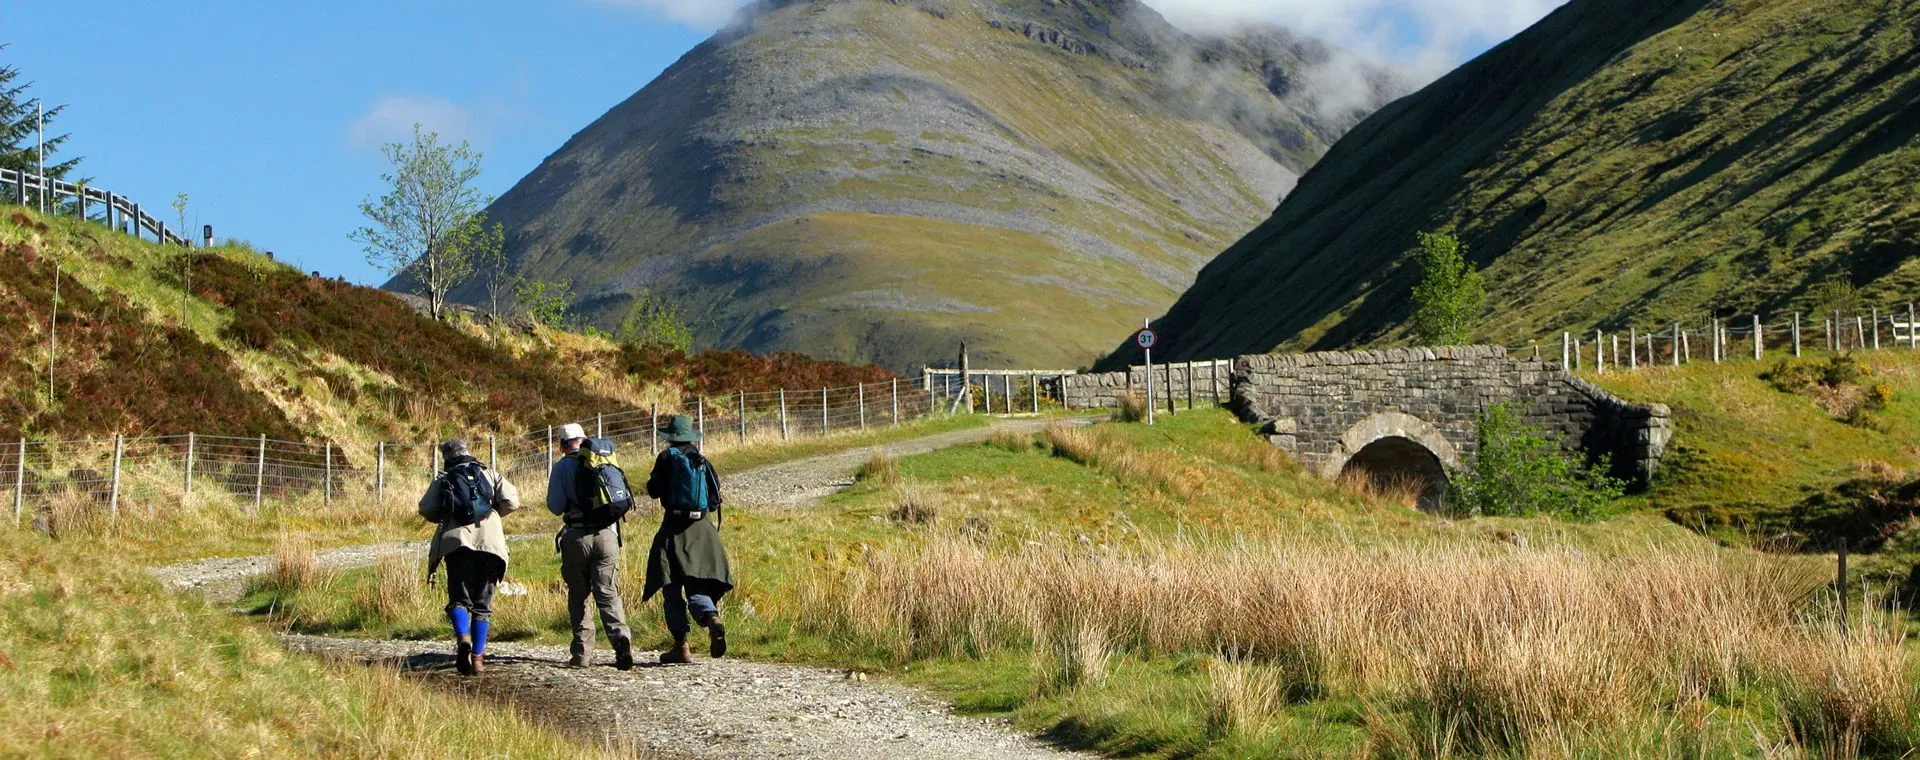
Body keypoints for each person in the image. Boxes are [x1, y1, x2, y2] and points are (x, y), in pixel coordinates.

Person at [418, 439, 520, 677]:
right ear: (468, 452)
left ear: (446, 458)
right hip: (491, 543)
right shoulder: (489, 473)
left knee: (459, 598)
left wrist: (447, 513)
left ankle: (463, 638)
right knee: (483, 605)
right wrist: (492, 512)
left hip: (457, 543)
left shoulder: (443, 478)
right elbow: (512, 502)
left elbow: (426, 509)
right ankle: (478, 659)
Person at [643, 415, 735, 665]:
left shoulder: (666, 458)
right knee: (697, 587)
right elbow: (715, 501)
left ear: (670, 438)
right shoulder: (701, 460)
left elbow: (652, 491)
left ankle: (681, 646)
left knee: (671, 588)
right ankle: (711, 618)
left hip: (673, 529)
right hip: (703, 531)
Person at [547, 422, 635, 670]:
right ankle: (621, 641)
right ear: (584, 440)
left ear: (563, 445)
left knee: (579, 595)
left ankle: (582, 655)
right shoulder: (605, 460)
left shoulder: (561, 467)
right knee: (608, 593)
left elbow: (555, 506)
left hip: (577, 537)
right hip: (608, 535)